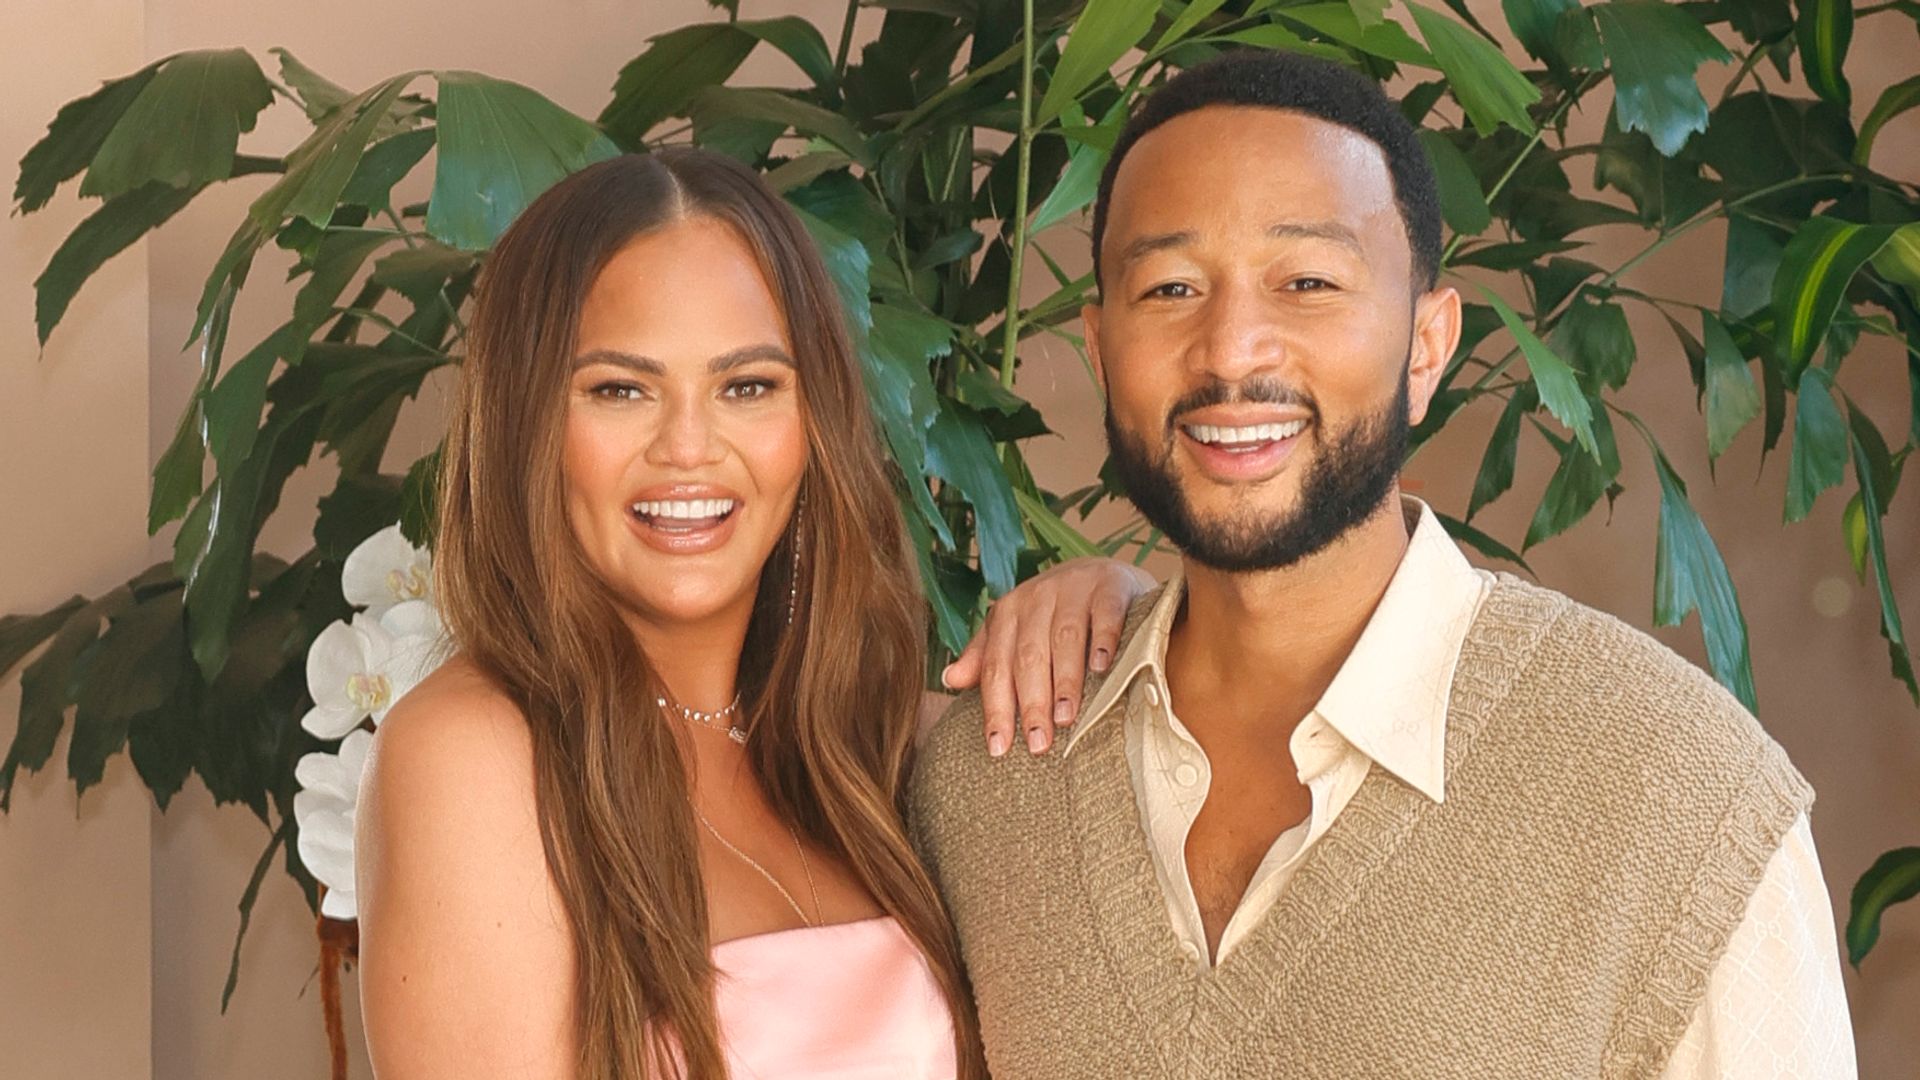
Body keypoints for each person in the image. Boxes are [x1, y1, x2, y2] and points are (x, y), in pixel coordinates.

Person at [911, 50, 1857, 1079]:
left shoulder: (1678, 795)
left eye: (1307, 281)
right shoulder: (981, 786)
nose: (1233, 351)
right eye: (1171, 287)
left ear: (1427, 344)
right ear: (1100, 348)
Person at [354, 148, 1150, 1080]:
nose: (689, 448)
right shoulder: (473, 755)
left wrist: (1116, 599)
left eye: (747, 387)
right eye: (620, 389)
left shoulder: (861, 744)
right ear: (529, 422)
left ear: (812, 423)